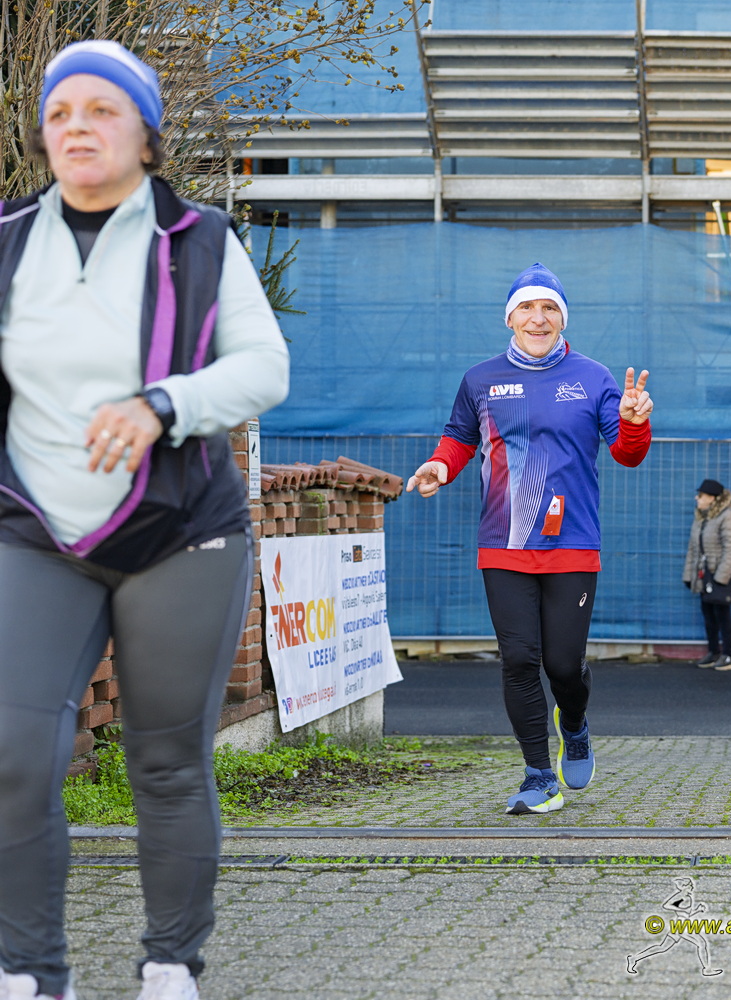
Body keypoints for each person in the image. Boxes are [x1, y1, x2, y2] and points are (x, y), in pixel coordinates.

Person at [0, 41, 290, 1000]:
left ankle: (171, 961)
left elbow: (264, 368)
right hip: (36, 530)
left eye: (101, 110)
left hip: (180, 533)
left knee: (166, 761)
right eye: (60, 113)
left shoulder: (200, 240)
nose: (77, 127)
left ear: (147, 134)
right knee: (13, 756)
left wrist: (166, 404)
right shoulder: (9, 239)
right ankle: (31, 971)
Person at [406, 262, 652, 815]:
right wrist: (440, 466)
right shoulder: (480, 379)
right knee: (518, 659)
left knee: (563, 665)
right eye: (527, 308)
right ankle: (539, 775)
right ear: (509, 318)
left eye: (549, 309)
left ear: (563, 318)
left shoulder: (594, 377)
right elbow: (459, 437)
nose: (538, 319)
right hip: (505, 543)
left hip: (572, 543)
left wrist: (635, 421)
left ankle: (576, 724)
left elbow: (628, 453)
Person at [682, 478, 731, 671]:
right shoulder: (701, 517)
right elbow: (693, 548)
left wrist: (721, 578)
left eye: (701, 495)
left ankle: (729, 655)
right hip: (703, 575)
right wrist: (689, 576)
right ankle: (714, 652)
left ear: (712, 498)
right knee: (708, 614)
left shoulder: (727, 515)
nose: (697, 498)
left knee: (723, 614)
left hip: (720, 575)